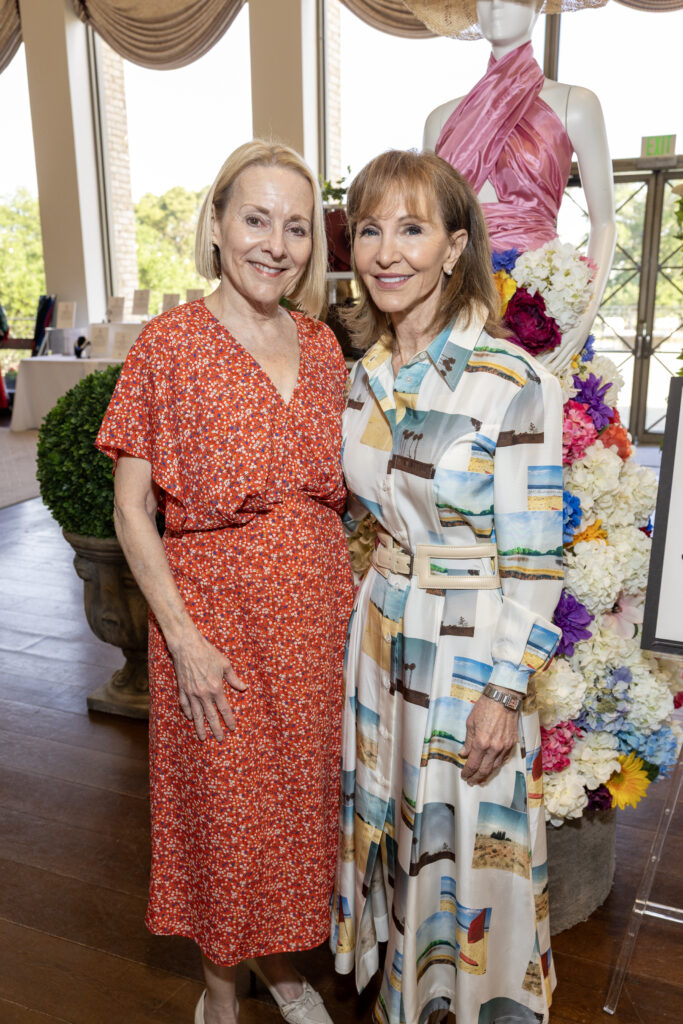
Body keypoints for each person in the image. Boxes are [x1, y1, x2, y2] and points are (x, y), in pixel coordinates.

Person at [96, 140, 353, 1024]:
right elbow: (131, 509)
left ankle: (280, 966)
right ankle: (219, 992)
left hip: (316, 619)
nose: (275, 244)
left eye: (296, 227)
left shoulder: (322, 345)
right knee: (225, 817)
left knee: (294, 814)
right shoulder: (168, 345)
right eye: (255, 219)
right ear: (215, 224)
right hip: (215, 625)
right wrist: (181, 638)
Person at [330, 149, 563, 1024]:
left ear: (455, 247)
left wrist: (505, 691)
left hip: (468, 651)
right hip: (381, 637)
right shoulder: (365, 376)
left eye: (412, 229)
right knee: (395, 830)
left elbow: (536, 558)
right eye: (370, 230)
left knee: (467, 846)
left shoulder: (512, 382)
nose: (387, 252)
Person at [416, 0, 616, 374]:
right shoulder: (440, 120)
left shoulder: (576, 104)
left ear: (539, 3)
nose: (495, 4)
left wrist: (584, 316)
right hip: (458, 306)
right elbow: (427, 228)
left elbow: (604, 223)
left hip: (540, 309)